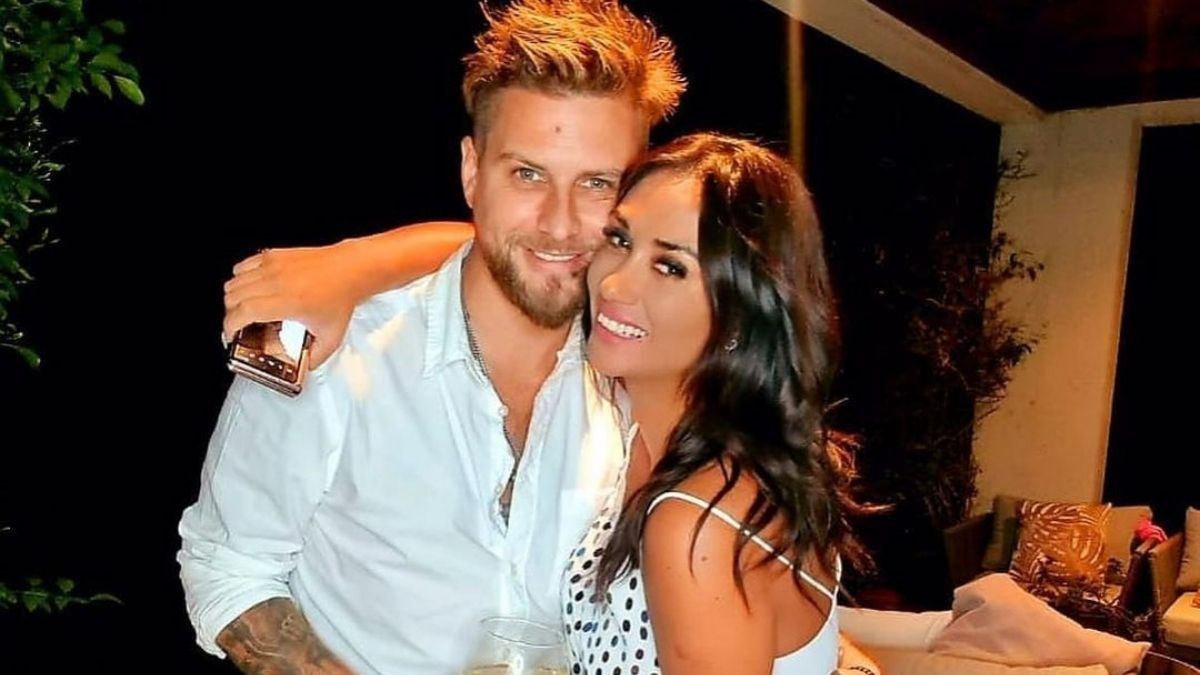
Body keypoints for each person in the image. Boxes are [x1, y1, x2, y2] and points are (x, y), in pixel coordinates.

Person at [222, 133, 869, 674]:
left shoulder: (695, 522)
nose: (615, 283)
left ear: (741, 313)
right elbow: (507, 254)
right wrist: (355, 264)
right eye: (620, 239)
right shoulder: (647, 428)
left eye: (670, 267)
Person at [177, 1, 685, 673]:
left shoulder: (634, 378)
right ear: (472, 171)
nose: (560, 224)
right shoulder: (321, 342)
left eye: (597, 183)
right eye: (527, 174)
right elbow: (227, 566)